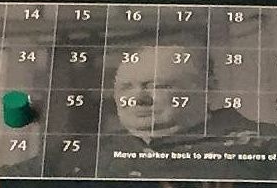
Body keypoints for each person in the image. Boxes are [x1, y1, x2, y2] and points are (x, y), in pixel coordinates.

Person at [96, 45, 268, 177]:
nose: (138, 99)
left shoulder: (267, 147)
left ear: (207, 88)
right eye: (125, 88)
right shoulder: (92, 151)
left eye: (157, 86)